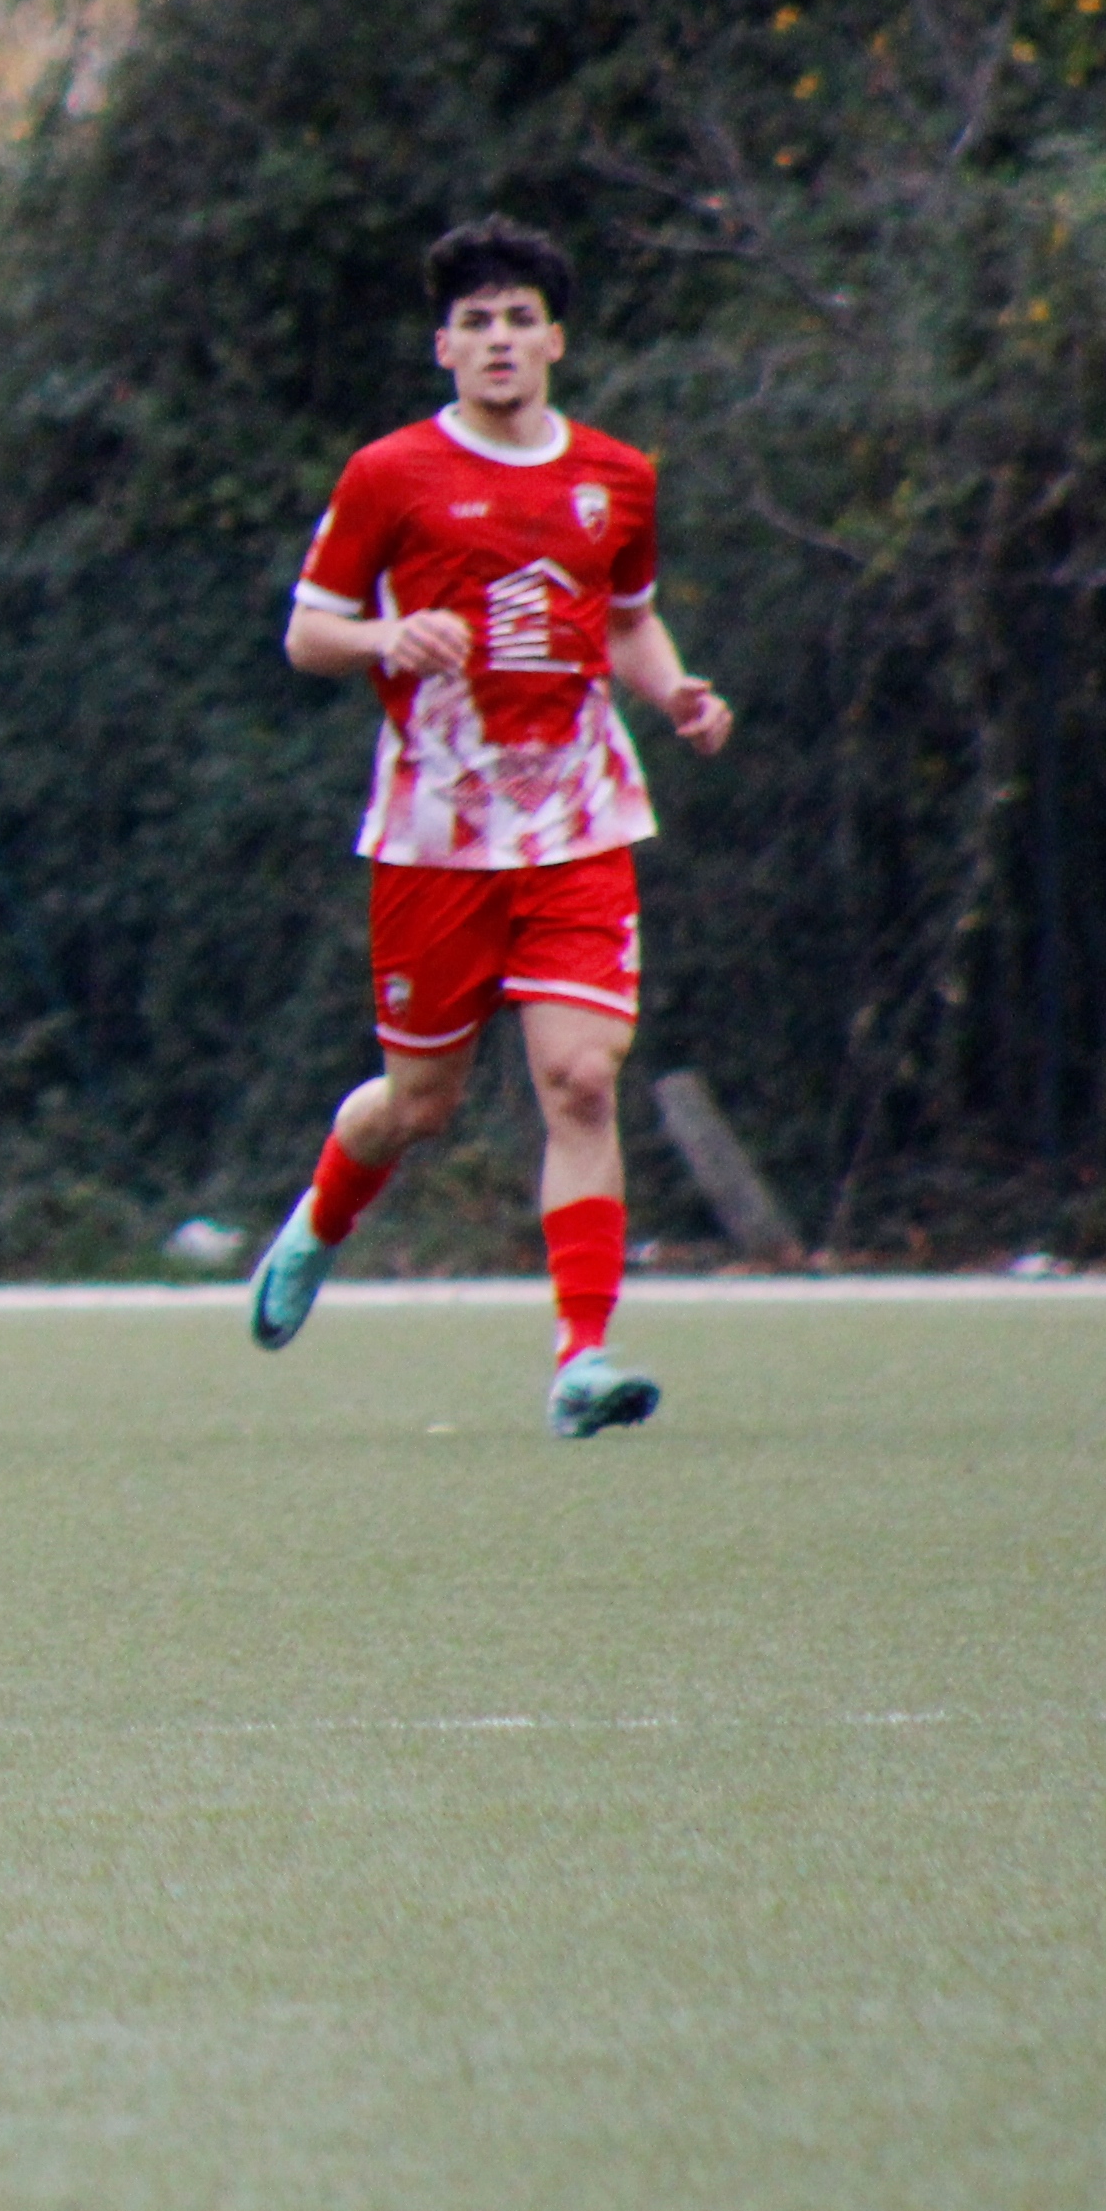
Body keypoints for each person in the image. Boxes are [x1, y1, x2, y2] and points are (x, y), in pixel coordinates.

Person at [249, 216, 737, 1437]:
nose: (501, 339)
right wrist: (384, 636)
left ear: (556, 339)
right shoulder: (389, 474)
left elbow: (627, 620)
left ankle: (582, 1356)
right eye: (477, 321)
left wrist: (674, 689)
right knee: (418, 1104)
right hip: (436, 834)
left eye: (521, 317)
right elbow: (309, 631)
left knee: (580, 1078)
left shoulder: (618, 475)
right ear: (444, 348)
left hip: (579, 821)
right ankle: (319, 1221)